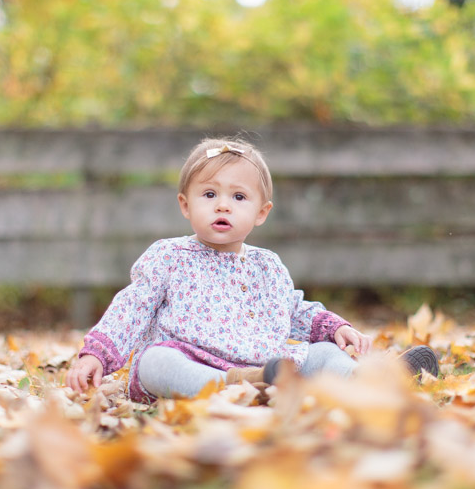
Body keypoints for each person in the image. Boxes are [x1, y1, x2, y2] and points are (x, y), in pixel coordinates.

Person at [66, 137, 438, 401]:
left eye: (238, 197)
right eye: (209, 195)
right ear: (185, 205)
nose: (223, 206)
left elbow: (292, 310)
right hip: (192, 359)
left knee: (323, 354)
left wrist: (333, 326)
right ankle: (236, 386)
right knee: (155, 363)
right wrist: (96, 354)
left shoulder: (266, 265)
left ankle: (373, 381)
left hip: (269, 363)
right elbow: (132, 307)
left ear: (261, 212)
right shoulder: (168, 256)